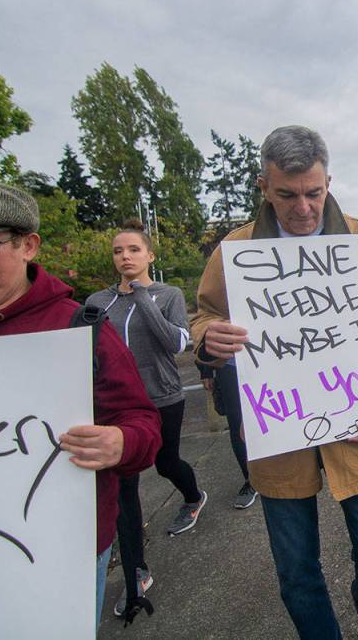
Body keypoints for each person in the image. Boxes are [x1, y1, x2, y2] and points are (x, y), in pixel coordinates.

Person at [190, 125, 358, 640]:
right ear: (263, 186)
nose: (303, 207)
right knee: (296, 571)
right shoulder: (235, 251)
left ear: (329, 182)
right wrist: (206, 339)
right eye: (287, 194)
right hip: (277, 430)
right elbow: (204, 316)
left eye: (314, 192)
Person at [0, 180, 161, 626]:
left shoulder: (78, 326)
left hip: (61, 551)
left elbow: (142, 423)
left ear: (28, 245)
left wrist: (120, 442)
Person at [85, 219, 207, 615]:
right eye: (118, 251)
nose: (125, 257)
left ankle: (193, 495)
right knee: (123, 487)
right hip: (115, 408)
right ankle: (137, 572)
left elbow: (174, 343)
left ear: (150, 255)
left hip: (162, 398)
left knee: (165, 462)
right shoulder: (97, 302)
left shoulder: (167, 294)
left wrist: (140, 295)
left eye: (134, 250)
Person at [197, 360, 257, 509]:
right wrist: (206, 370)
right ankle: (250, 479)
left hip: (270, 357)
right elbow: (205, 337)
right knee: (236, 423)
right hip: (230, 364)